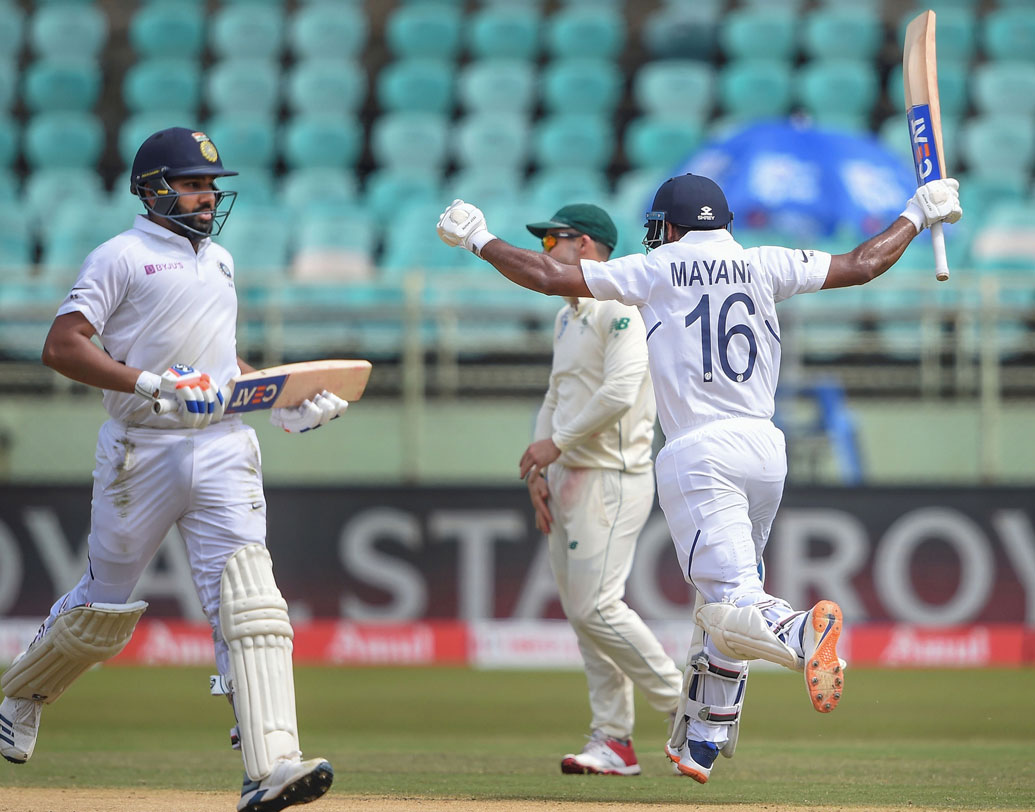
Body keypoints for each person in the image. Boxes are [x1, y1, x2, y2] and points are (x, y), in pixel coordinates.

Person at [435, 173, 962, 783]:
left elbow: (550, 276)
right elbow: (862, 264)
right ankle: (704, 738)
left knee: (732, 598)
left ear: (671, 225)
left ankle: (798, 632)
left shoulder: (655, 269)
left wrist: (479, 239)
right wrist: (916, 214)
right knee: (722, 595)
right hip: (765, 448)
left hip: (700, 450)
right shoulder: (765, 262)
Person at [0, 127, 346, 812]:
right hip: (142, 449)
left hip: (223, 447)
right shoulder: (120, 256)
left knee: (250, 601)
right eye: (192, 185)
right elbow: (62, 346)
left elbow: (223, 364)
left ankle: (270, 765)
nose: (207, 197)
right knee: (103, 609)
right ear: (152, 189)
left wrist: (282, 399)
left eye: (211, 186)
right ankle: (20, 696)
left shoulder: (220, 261)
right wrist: (149, 382)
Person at [519, 204, 682, 776]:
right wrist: (541, 466)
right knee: (583, 615)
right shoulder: (566, 316)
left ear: (585, 245)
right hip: (568, 473)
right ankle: (613, 740)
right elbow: (556, 393)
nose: (544, 251)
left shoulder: (620, 305)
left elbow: (621, 389)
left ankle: (685, 703)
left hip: (613, 474)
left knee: (596, 607)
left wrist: (556, 444)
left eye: (552, 241)